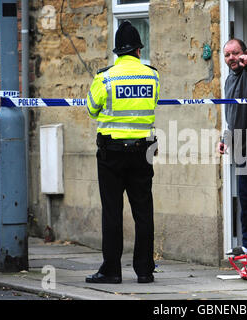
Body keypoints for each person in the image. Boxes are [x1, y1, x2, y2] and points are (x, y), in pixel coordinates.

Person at [85, 21, 160, 284]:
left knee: (112, 211)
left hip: (111, 154)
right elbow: (153, 103)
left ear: (117, 52)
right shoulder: (152, 75)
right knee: (143, 211)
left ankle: (112, 271)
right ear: (139, 50)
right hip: (143, 151)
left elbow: (92, 110)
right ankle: (145, 271)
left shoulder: (104, 77)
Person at [217, 38, 247, 256]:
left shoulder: (246, 72)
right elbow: (231, 115)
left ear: (244, 53)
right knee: (243, 195)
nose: (232, 58)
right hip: (238, 142)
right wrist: (225, 139)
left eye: (236, 53)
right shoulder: (229, 80)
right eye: (227, 55)